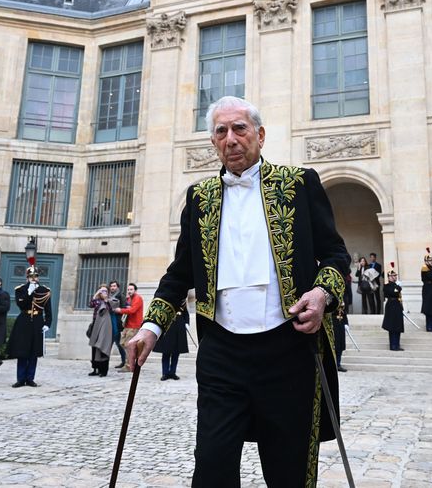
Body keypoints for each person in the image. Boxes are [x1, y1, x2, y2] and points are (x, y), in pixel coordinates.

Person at [126, 96, 349, 486]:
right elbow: (180, 274)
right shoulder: (200, 199)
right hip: (222, 352)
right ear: (213, 142)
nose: (230, 139)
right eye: (221, 131)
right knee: (211, 467)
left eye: (239, 128)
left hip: (289, 349)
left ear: (260, 135)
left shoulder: (299, 184)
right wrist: (151, 327)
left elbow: (335, 254)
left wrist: (321, 294)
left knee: (289, 471)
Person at [7, 265, 52, 388]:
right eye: (30, 276)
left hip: (37, 321)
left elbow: (48, 310)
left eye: (35, 276)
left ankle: (30, 378)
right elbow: (21, 305)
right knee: (22, 351)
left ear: (38, 277)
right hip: (24, 321)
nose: (33, 278)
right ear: (27, 278)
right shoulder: (21, 289)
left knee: (34, 351)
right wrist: (29, 292)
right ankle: (21, 378)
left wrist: (47, 324)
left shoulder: (44, 290)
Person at [88, 283, 117, 377]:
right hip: (96, 326)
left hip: (105, 327)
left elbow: (113, 308)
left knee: (103, 346)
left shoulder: (110, 300)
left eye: (105, 291)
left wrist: (106, 300)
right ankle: (95, 368)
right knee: (94, 347)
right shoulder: (97, 301)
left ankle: (103, 370)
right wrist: (96, 294)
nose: (104, 292)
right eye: (102, 291)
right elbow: (90, 304)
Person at [153, 306, 190, 380]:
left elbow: (186, 314)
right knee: (166, 352)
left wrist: (186, 323)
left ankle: (172, 372)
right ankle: (165, 373)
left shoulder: (182, 302)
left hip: (178, 328)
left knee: (176, 353)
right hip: (167, 328)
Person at [116, 282, 143, 371]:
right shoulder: (129, 299)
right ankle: (132, 360)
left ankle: (129, 366)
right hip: (127, 325)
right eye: (128, 289)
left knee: (129, 345)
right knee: (122, 343)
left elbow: (132, 310)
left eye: (131, 289)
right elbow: (127, 307)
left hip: (134, 326)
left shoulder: (137, 298)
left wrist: (120, 310)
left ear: (135, 290)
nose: (129, 291)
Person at [381, 269, 404, 351]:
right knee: (392, 327)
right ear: (389, 277)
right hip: (391, 306)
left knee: (398, 326)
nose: (395, 277)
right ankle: (393, 345)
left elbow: (398, 293)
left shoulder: (396, 285)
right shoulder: (387, 286)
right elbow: (394, 292)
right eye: (393, 276)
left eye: (395, 275)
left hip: (397, 306)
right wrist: (397, 287)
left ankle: (397, 344)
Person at [107, 280, 126, 369]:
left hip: (116, 322)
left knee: (118, 343)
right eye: (111, 286)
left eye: (114, 286)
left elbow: (124, 308)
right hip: (108, 321)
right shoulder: (107, 296)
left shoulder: (121, 295)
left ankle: (124, 361)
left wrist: (117, 310)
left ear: (117, 287)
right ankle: (104, 362)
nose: (112, 287)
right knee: (108, 343)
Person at [333, 302, 349, 372]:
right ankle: (334, 364)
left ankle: (338, 364)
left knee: (340, 346)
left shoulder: (342, 300)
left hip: (341, 325)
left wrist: (346, 323)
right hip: (333, 324)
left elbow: (344, 313)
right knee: (335, 346)